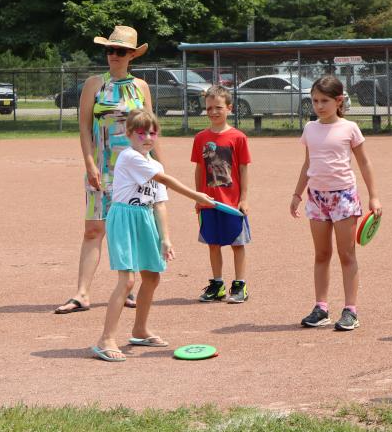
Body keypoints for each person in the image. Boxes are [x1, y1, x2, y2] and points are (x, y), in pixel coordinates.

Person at [91, 109, 215, 361]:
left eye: (152, 132)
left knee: (152, 277)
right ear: (128, 135)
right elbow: (164, 179)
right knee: (127, 281)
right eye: (141, 133)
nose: (147, 137)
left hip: (146, 218)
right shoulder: (129, 157)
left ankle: (140, 330)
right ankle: (105, 340)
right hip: (124, 218)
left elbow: (159, 203)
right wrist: (197, 195)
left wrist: (165, 238)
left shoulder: (154, 162)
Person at [56, 26, 161, 314]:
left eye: (121, 51)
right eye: (110, 50)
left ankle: (128, 287)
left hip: (136, 169)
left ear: (131, 56)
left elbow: (150, 129)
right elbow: (84, 127)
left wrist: (157, 168)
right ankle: (82, 293)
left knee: (134, 226)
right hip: (102, 166)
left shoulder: (141, 87)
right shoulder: (94, 84)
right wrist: (89, 163)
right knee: (94, 228)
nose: (114, 55)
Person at [291, 76, 381, 331]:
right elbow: (308, 163)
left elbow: (364, 162)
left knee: (346, 254)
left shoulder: (349, 128)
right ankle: (321, 308)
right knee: (321, 254)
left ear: (339, 100)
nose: (319, 106)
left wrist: (374, 195)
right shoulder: (310, 129)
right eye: (315, 100)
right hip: (317, 198)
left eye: (325, 101)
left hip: (344, 197)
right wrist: (297, 194)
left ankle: (350, 310)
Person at [191, 85, 252, 303]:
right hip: (209, 202)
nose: (213, 112)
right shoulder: (200, 138)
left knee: (237, 244)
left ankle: (240, 285)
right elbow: (199, 168)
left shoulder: (238, 137)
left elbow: (243, 169)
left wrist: (243, 198)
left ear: (229, 108)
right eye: (209, 108)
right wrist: (198, 196)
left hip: (232, 203)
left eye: (218, 107)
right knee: (213, 244)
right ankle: (217, 284)